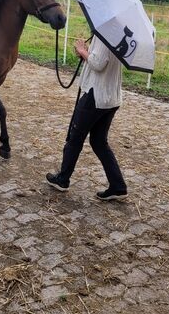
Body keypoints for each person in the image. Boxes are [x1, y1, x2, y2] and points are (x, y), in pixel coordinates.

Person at [46, 35, 127, 201]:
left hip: (95, 95)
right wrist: (87, 54)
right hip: (110, 98)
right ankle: (118, 186)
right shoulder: (117, 36)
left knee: (74, 138)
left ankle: (63, 179)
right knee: (99, 142)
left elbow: (98, 64)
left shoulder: (105, 34)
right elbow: (100, 60)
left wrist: (83, 50)